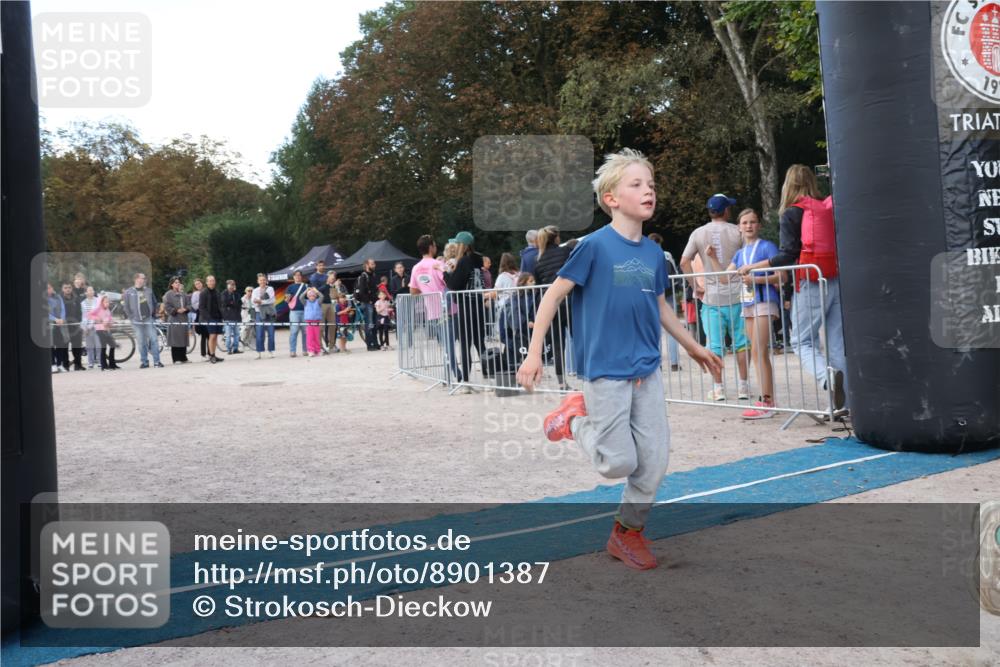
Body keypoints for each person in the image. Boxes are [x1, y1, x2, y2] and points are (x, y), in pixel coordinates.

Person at [516, 149, 721, 571]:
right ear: (611, 198)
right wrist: (534, 353)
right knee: (618, 463)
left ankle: (626, 534)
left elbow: (661, 306)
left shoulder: (652, 254)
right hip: (605, 371)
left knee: (654, 462)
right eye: (636, 184)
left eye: (651, 185)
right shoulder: (592, 247)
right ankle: (573, 419)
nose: (648, 191)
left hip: (646, 369)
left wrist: (693, 346)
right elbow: (552, 296)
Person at [736, 164, 847, 410]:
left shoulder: (792, 213)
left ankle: (827, 378)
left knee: (801, 342)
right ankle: (844, 405)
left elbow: (788, 254)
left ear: (788, 184)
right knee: (836, 343)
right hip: (835, 279)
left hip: (809, 281)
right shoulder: (828, 207)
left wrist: (753, 266)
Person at [707, 209, 782, 419]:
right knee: (756, 351)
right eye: (745, 223)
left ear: (758, 225)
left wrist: (755, 280)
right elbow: (724, 278)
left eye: (753, 222)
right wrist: (712, 257)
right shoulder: (739, 254)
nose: (749, 226)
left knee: (759, 351)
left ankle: (767, 401)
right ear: (739, 227)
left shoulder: (767, 247)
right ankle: (767, 400)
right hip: (747, 304)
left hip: (764, 300)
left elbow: (782, 276)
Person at [680, 194, 749, 401]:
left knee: (715, 344)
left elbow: (684, 261)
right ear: (727, 211)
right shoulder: (737, 231)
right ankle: (743, 387)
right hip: (738, 294)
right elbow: (747, 258)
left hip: (711, 297)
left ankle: (718, 388)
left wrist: (696, 286)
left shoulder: (699, 233)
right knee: (741, 342)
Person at [410, 234, 459, 379]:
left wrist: (425, 289)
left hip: (432, 310)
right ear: (431, 247)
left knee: (446, 345)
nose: (436, 247)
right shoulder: (437, 264)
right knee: (451, 345)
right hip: (449, 309)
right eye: (435, 244)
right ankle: (457, 375)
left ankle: (448, 376)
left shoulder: (416, 268)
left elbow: (412, 291)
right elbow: (449, 283)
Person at [445, 230, 487, 390]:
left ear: (462, 245)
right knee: (479, 342)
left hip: (466, 306)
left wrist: (445, 273)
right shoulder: (478, 259)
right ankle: (487, 377)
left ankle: (467, 382)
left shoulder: (463, 261)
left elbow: (454, 284)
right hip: (478, 304)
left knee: (465, 344)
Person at [532, 225, 573, 389]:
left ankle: (562, 383)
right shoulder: (565, 252)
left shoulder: (539, 260)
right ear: (556, 238)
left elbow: (538, 285)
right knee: (580, 339)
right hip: (569, 301)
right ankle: (589, 379)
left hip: (551, 306)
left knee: (558, 344)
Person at [648, 233, 681, 371]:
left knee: (655, 331)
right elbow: (677, 277)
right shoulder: (667, 255)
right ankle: (674, 363)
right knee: (672, 330)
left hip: (652, 297)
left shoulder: (646, 255)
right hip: (669, 295)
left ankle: (658, 364)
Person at [122, 272, 164, 368]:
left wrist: (153, 314)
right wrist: (131, 318)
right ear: (136, 279)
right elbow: (126, 307)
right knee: (141, 342)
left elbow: (154, 302)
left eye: (144, 278)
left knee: (154, 340)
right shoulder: (128, 292)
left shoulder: (149, 291)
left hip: (148, 319)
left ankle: (157, 362)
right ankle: (144, 362)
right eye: (142, 278)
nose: (144, 280)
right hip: (136, 321)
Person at [162, 276, 192, 363]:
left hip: (183, 318)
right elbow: (167, 306)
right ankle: (176, 359)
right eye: (175, 282)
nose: (177, 283)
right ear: (172, 284)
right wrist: (176, 310)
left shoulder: (183, 294)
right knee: (175, 339)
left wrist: (186, 309)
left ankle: (183, 358)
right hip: (174, 318)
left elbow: (189, 304)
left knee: (183, 338)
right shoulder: (168, 294)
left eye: (178, 282)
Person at [87, 292, 118, 370]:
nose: (107, 303)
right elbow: (89, 315)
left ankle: (112, 364)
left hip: (106, 330)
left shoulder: (107, 310)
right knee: (103, 348)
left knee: (112, 345)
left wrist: (112, 322)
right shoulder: (98, 309)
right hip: (100, 330)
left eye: (108, 302)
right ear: (102, 302)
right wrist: (97, 318)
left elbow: (110, 318)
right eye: (106, 302)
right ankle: (104, 366)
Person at [198, 275, 225, 364]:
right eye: (210, 281)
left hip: (218, 317)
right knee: (212, 336)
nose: (212, 282)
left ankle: (214, 354)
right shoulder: (203, 293)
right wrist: (207, 318)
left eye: (213, 280)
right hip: (209, 318)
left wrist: (222, 315)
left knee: (216, 336)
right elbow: (201, 307)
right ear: (206, 282)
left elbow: (220, 305)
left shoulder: (217, 292)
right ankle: (211, 355)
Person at [354, 259, 380, 351]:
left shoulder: (373, 275)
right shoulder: (363, 276)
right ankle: (369, 345)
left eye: (374, 263)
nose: (374, 265)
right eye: (372, 264)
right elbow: (361, 292)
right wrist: (368, 301)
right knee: (369, 324)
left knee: (374, 324)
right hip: (367, 303)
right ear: (366, 265)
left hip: (374, 303)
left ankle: (376, 343)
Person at [60, 282, 86, 371]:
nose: (68, 289)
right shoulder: (59, 299)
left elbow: (80, 312)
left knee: (77, 346)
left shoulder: (76, 298)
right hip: (64, 326)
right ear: (62, 289)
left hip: (75, 326)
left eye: (69, 287)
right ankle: (65, 365)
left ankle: (78, 365)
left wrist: (78, 321)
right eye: (65, 287)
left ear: (71, 288)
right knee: (64, 347)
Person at [252, 273, 277, 359]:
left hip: (269, 313)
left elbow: (272, 300)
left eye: (264, 280)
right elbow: (253, 302)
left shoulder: (270, 288)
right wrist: (261, 302)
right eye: (260, 280)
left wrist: (260, 302)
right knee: (259, 333)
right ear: (258, 281)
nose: (262, 281)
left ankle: (271, 350)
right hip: (259, 313)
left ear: (266, 281)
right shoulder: (255, 290)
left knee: (271, 333)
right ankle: (259, 352)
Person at [285, 270, 309, 357]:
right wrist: (287, 299)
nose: (298, 277)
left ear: (301, 277)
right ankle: (292, 351)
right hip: (294, 311)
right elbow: (287, 299)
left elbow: (311, 298)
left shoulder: (306, 286)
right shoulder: (290, 287)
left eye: (299, 275)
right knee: (294, 332)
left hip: (305, 311)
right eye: (296, 275)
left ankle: (305, 350)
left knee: (305, 332)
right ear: (293, 277)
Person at [47, 283, 68, 373]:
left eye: (49, 288)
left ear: (52, 288)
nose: (48, 289)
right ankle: (53, 364)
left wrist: (62, 319)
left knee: (60, 345)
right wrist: (55, 319)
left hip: (60, 325)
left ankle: (60, 364)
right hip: (50, 326)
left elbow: (63, 308)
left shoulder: (58, 297)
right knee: (51, 346)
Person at [80, 286, 101, 369]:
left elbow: (98, 314)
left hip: (97, 326)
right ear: (86, 292)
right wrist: (84, 328)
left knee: (98, 345)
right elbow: (83, 316)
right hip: (87, 327)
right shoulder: (83, 303)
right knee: (89, 346)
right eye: (89, 290)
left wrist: (91, 325)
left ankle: (100, 360)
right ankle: (90, 362)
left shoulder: (98, 301)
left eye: (92, 290)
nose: (91, 291)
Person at [220, 279, 242, 355]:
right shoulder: (224, 293)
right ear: (227, 285)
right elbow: (225, 303)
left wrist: (232, 304)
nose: (232, 286)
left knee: (237, 334)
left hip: (236, 316)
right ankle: (229, 349)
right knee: (228, 335)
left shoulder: (236, 294)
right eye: (230, 285)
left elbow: (239, 303)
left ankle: (235, 348)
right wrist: (232, 303)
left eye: (233, 285)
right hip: (227, 317)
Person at [303, 286, 324, 357]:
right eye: (310, 296)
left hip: (316, 323)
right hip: (309, 323)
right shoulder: (305, 302)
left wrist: (316, 291)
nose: (312, 297)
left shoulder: (318, 301)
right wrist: (306, 291)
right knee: (310, 338)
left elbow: (322, 296)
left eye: (313, 296)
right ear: (308, 296)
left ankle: (318, 350)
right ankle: (311, 350)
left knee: (317, 337)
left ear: (315, 296)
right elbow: (300, 297)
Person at [320, 271, 339, 351]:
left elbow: (338, 296)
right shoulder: (323, 285)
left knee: (333, 325)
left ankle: (332, 345)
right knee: (321, 327)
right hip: (322, 305)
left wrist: (336, 287)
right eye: (332, 277)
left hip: (331, 305)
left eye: (334, 277)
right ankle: (320, 346)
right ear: (327, 277)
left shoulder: (335, 286)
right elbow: (318, 292)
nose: (333, 279)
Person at [189, 278, 207, 358]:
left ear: (202, 283)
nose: (198, 285)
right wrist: (202, 305)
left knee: (210, 335)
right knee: (203, 335)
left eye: (199, 283)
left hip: (208, 314)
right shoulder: (195, 294)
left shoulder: (206, 291)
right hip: (200, 314)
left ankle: (211, 352)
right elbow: (194, 305)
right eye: (196, 284)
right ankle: (203, 353)